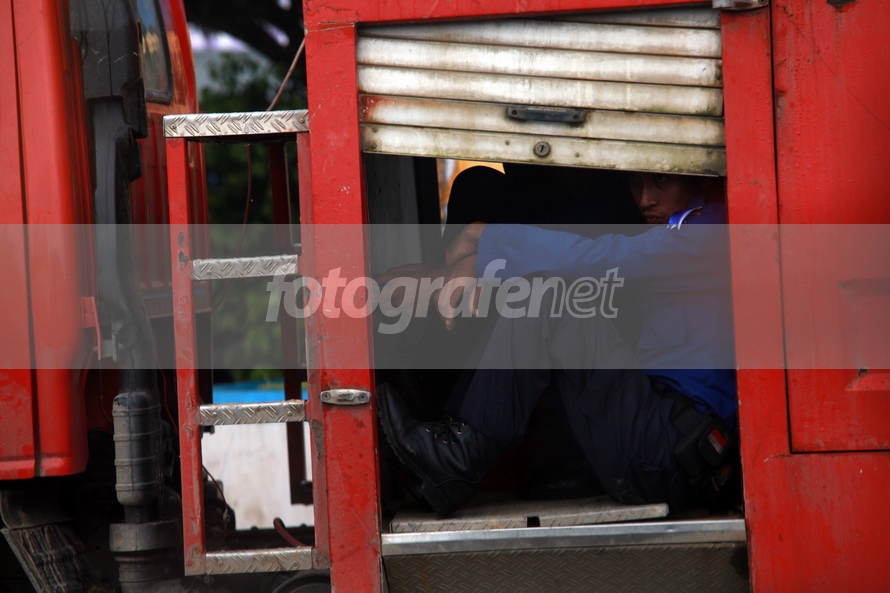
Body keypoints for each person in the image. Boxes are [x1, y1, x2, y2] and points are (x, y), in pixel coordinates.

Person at [378, 172, 737, 517]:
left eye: (661, 180)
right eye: (635, 182)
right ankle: (447, 438)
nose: (645, 200)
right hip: (656, 434)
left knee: (549, 298)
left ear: (702, 175)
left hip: (670, 453)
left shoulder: (717, 230)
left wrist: (485, 242)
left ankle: (453, 462)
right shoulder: (683, 227)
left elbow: (601, 258)